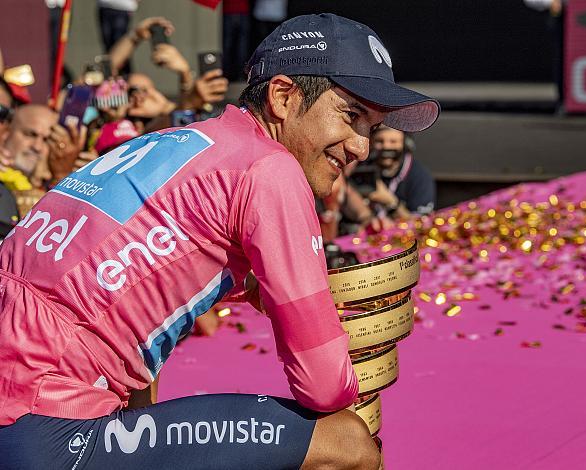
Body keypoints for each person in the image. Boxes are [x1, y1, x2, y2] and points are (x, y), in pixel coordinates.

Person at [0, 13, 439, 469]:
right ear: (283, 97)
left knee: (141, 393)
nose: (362, 147)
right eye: (351, 116)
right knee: (347, 444)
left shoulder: (176, 142)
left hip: (24, 402)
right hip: (39, 422)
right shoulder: (271, 169)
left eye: (372, 126)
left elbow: (107, 289)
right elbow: (324, 385)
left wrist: (240, 282)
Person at [366, 126, 436, 218]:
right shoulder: (362, 168)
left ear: (405, 144)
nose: (386, 146)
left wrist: (391, 203)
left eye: (393, 142)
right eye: (380, 141)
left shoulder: (420, 177)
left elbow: (421, 225)